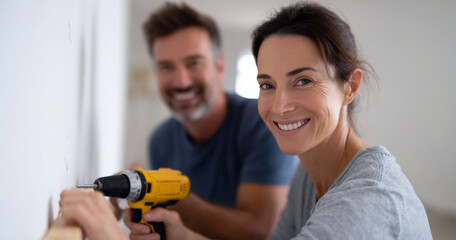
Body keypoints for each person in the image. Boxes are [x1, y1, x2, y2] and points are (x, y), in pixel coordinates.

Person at [59, 2, 433, 240]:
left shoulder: (369, 200)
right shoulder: (312, 170)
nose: (280, 106)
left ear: (350, 86)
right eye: (267, 85)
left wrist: (111, 235)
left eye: (303, 80)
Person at [121, 2, 297, 240]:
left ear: (220, 66)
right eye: (166, 67)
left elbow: (262, 232)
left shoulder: (261, 123)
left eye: (194, 63)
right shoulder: (160, 140)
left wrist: (167, 192)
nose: (181, 81)